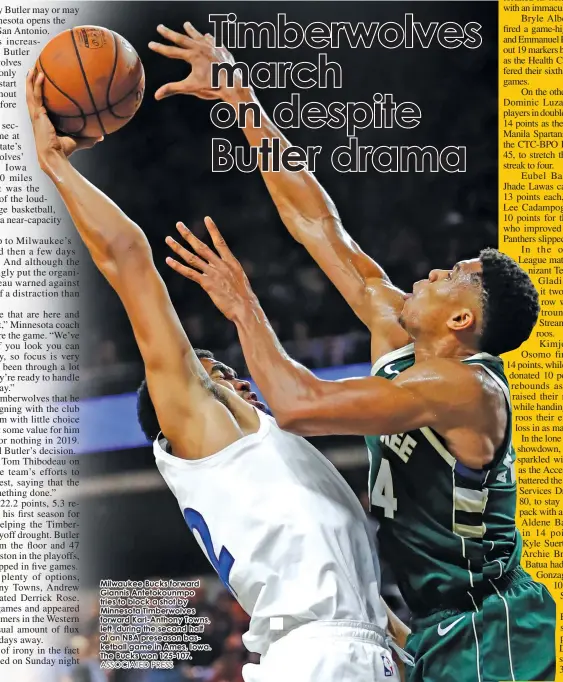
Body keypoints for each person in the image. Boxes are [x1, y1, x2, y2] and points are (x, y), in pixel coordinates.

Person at [150, 22, 556, 682]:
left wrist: (242, 305)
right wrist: (239, 96)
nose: (428, 273)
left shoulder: (465, 390)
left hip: (492, 629)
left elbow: (300, 406)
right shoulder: (397, 333)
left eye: (449, 275)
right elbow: (316, 223)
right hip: (437, 629)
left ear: (459, 319)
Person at [26, 70, 405, 682]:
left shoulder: (285, 461)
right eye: (215, 376)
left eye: (227, 368)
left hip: (354, 655)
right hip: (317, 659)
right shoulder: (206, 442)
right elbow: (130, 260)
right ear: (179, 416)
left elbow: (373, 613)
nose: (233, 377)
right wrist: (57, 166)